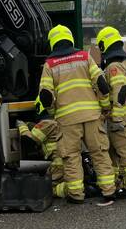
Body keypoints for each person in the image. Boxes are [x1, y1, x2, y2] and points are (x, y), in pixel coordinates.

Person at [38, 24, 116, 204]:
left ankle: (76, 194)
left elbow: (45, 96)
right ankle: (109, 190)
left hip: (67, 120)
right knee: (99, 153)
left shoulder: (49, 65)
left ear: (53, 42)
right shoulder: (84, 57)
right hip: (91, 115)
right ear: (70, 38)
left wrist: (53, 112)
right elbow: (102, 84)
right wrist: (104, 107)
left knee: (71, 156)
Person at [96, 26, 126, 198]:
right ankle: (121, 184)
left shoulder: (114, 67)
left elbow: (119, 92)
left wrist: (115, 117)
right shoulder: (124, 63)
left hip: (121, 119)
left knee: (125, 152)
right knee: (116, 153)